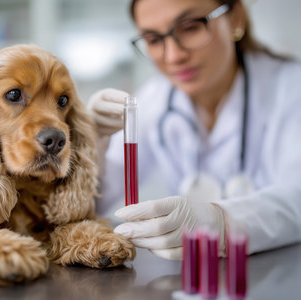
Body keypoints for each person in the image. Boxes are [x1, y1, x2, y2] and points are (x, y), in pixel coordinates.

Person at [88, 0, 301, 260]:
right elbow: (95, 200)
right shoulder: (152, 100)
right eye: (154, 40)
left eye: (190, 28)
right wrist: (93, 143)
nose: (173, 56)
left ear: (235, 18)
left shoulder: (291, 89)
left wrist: (223, 221)